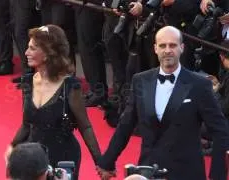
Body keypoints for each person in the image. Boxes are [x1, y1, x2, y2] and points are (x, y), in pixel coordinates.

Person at [97, 26, 229, 180]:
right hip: (149, 171)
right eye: (162, 45)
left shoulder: (199, 85)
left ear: (182, 48)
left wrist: (217, 175)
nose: (167, 50)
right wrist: (107, 161)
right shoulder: (140, 80)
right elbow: (125, 125)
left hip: (187, 173)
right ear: (155, 49)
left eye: (172, 45)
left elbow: (220, 131)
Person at [5, 24, 101, 180]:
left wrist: (100, 162)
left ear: (48, 53)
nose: (26, 52)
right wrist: (12, 148)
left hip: (63, 159)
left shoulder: (70, 86)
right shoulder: (28, 82)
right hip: (34, 159)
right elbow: (26, 124)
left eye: (33, 48)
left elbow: (85, 126)